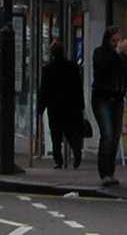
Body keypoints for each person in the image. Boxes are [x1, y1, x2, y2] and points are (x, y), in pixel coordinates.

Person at [38, 40, 84, 169]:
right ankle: (76, 152)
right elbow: (78, 87)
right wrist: (81, 105)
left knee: (56, 135)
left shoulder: (48, 69)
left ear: (52, 53)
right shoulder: (72, 67)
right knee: (70, 132)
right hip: (70, 106)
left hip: (55, 107)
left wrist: (40, 108)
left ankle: (58, 160)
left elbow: (44, 90)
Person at [91, 26, 127, 186]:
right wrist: (118, 53)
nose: (117, 42)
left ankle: (110, 172)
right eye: (115, 40)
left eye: (118, 40)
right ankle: (104, 173)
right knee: (107, 134)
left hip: (117, 99)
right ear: (109, 39)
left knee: (115, 136)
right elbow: (104, 68)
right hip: (102, 99)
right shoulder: (100, 53)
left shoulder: (121, 57)